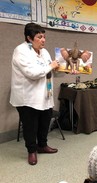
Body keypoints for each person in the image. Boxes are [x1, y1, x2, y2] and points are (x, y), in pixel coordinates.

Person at [10, 23, 60, 165]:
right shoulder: (20, 51)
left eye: (44, 36)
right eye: (39, 37)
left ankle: (42, 145)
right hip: (28, 97)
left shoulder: (44, 52)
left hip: (44, 94)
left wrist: (64, 69)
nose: (43, 40)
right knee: (30, 125)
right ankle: (31, 151)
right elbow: (32, 73)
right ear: (29, 38)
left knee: (45, 122)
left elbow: (50, 69)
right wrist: (51, 66)